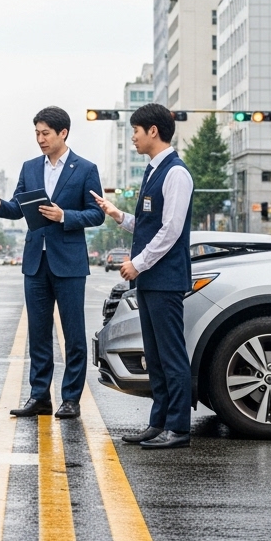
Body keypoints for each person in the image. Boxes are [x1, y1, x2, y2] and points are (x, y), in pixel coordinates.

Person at [0, 106, 104, 419]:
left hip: (69, 262)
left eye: (45, 133)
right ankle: (39, 397)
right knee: (38, 333)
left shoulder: (85, 168)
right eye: (36, 133)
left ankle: (71, 398)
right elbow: (18, 207)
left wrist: (66, 216)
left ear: (63, 133)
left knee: (74, 334)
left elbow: (97, 213)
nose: (40, 139)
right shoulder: (30, 167)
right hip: (35, 261)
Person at [92, 103, 194, 449]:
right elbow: (149, 225)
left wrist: (139, 263)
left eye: (136, 130)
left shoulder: (176, 173)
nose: (133, 136)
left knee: (171, 354)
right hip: (152, 280)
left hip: (165, 278)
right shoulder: (153, 171)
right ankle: (159, 422)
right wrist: (116, 214)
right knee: (155, 354)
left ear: (153, 131)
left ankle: (178, 428)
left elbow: (171, 230)